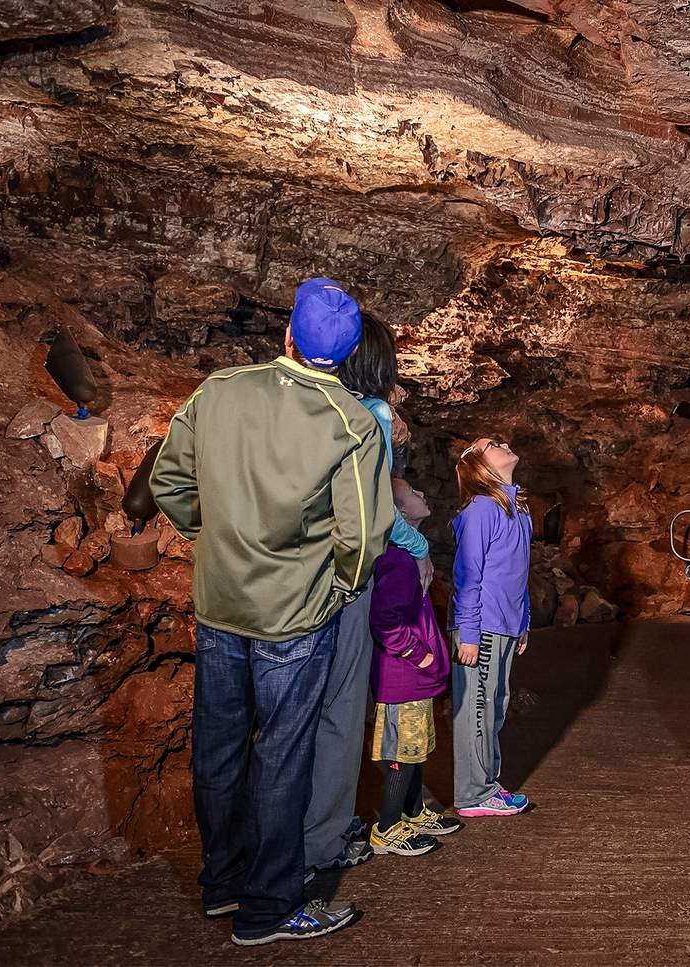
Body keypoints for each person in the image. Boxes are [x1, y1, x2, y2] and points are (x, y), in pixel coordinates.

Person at [150, 277, 393, 945]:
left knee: (220, 747)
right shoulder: (352, 421)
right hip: (295, 616)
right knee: (284, 755)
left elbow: (168, 481)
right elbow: (365, 533)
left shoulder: (220, 391)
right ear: (343, 356)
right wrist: (340, 587)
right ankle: (270, 907)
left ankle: (222, 885)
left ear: (288, 334)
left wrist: (213, 535)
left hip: (222, 606)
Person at [302, 314, 435, 875]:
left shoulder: (303, 403)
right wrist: (417, 546)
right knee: (339, 714)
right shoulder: (369, 413)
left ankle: (305, 838)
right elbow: (374, 506)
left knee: (295, 719)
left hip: (296, 575)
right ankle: (329, 841)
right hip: (351, 574)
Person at [367, 478, 463, 855]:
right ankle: (387, 828)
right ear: (400, 512)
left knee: (414, 749)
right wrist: (418, 655)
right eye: (412, 493)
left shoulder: (407, 558)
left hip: (414, 678)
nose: (423, 494)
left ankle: (413, 811)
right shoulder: (396, 560)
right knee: (399, 754)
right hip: (402, 676)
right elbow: (384, 619)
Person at [450, 437, 533, 818]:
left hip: (504, 624)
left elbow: (518, 574)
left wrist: (524, 621)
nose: (505, 444)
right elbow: (468, 575)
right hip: (480, 626)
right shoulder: (480, 510)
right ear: (480, 466)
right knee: (476, 710)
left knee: (495, 706)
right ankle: (473, 794)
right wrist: (467, 632)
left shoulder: (519, 510)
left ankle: (487, 784)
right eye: (493, 444)